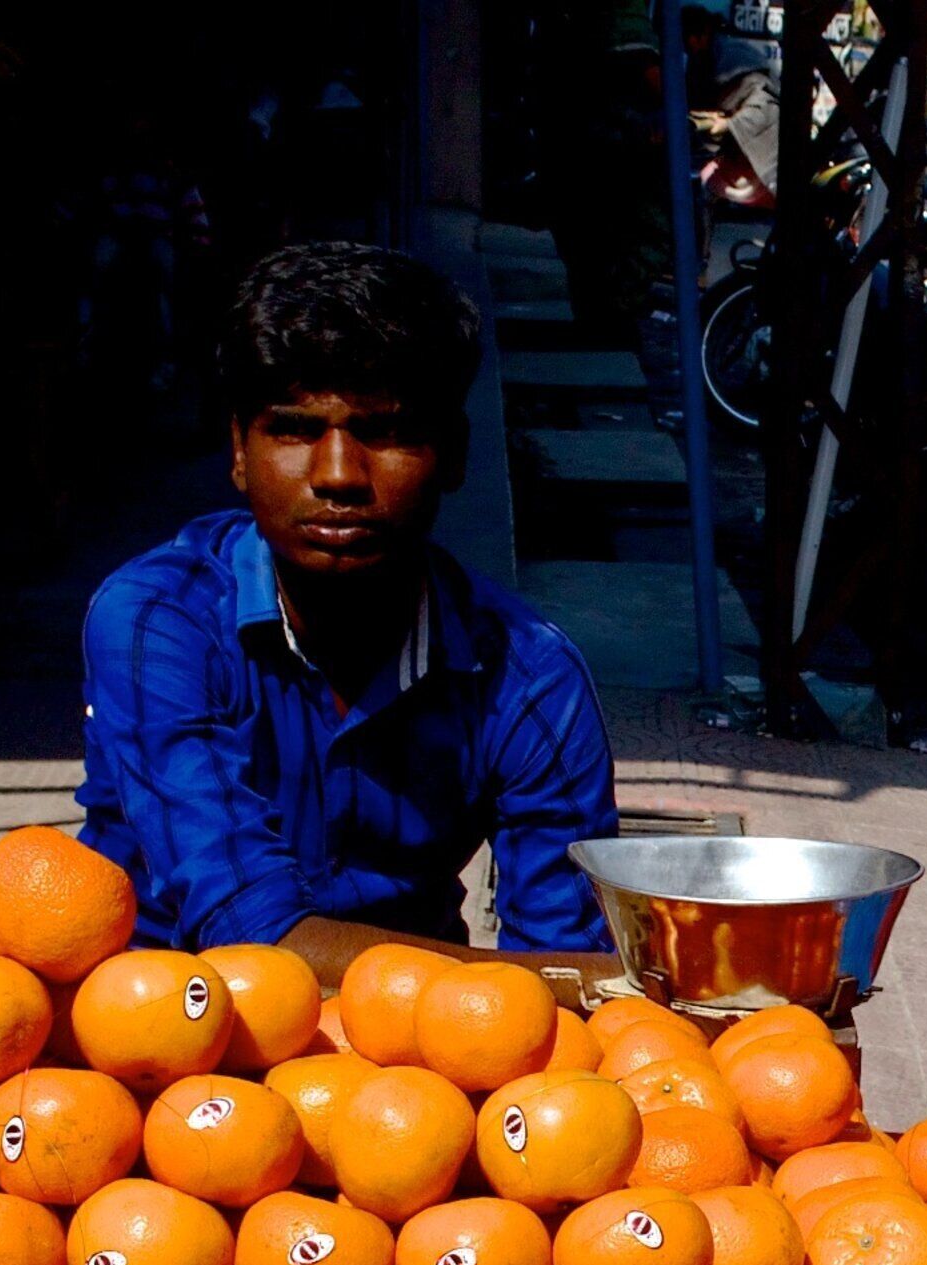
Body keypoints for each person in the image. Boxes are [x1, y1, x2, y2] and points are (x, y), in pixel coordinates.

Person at [79, 243, 619, 982]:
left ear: (453, 454)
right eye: (296, 430)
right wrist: (539, 986)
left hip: (405, 1064)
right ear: (240, 450)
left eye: (387, 432)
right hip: (157, 1037)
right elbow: (247, 935)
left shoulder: (527, 675)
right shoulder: (158, 621)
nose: (339, 475)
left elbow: (566, 947)